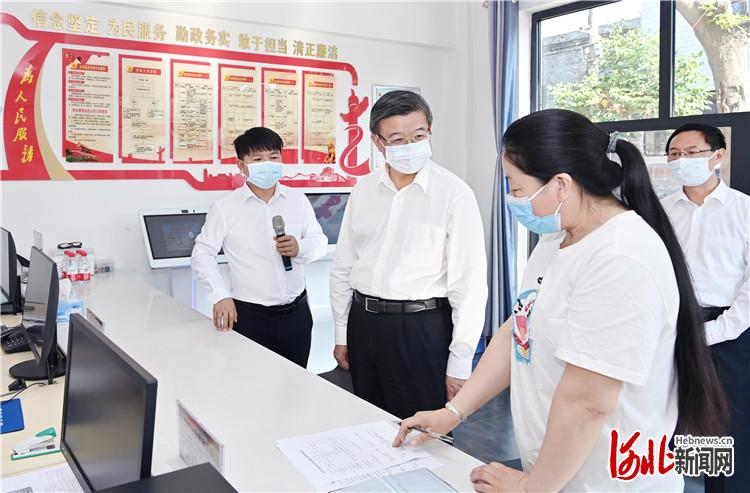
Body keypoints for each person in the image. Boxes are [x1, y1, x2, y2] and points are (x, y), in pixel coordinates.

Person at [393, 109, 727, 492]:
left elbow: (588, 401)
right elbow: (518, 332)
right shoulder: (556, 240)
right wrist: (453, 412)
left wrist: (531, 488)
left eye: (517, 188)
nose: (512, 199)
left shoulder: (620, 257)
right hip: (555, 472)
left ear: (561, 185)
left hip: (605, 481)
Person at [329, 90, 487, 419]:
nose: (410, 146)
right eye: (398, 139)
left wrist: (460, 362)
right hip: (363, 323)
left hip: (420, 328)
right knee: (368, 421)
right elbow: (343, 266)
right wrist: (342, 333)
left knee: (422, 429)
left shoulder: (454, 194)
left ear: (430, 131)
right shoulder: (363, 189)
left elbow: (469, 286)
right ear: (378, 142)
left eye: (419, 135)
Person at [191, 127, 327, 367]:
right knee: (252, 381)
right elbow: (202, 254)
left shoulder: (297, 200)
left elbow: (319, 242)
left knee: (298, 381)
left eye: (274, 157)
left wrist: (300, 248)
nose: (268, 164)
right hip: (250, 316)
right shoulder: (225, 208)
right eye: (258, 159)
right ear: (241, 166)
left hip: (297, 314)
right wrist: (220, 296)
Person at [662, 124, 749, 493]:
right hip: (675, 323)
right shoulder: (662, 211)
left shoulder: (744, 210)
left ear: (718, 155)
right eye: (675, 154)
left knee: (729, 421)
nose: (682, 160)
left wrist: (716, 330)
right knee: (687, 418)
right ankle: (694, 484)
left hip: (730, 331)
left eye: (692, 152)